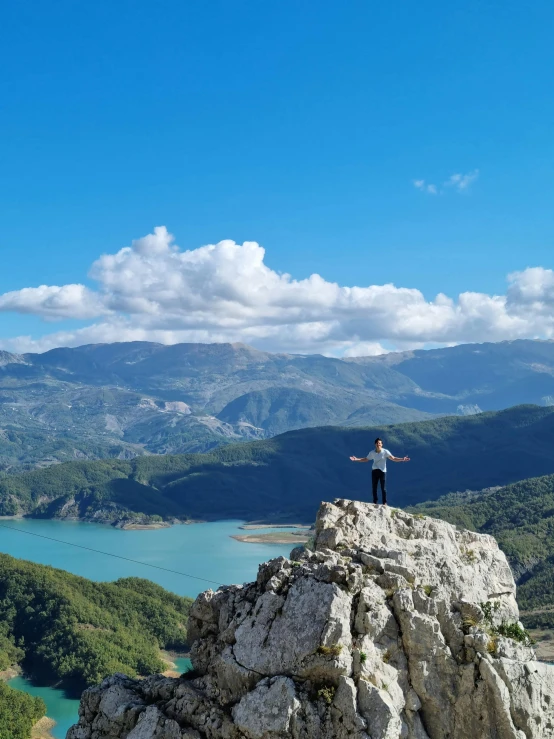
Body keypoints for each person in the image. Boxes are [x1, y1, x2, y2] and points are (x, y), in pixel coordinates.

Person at [349, 437, 410, 505]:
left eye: (380, 443)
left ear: (382, 444)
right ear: (375, 444)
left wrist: (402, 459)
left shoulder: (385, 452)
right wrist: (356, 459)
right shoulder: (372, 453)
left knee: (383, 488)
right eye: (377, 443)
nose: (379, 444)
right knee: (374, 487)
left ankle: (384, 502)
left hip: (382, 471)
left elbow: (393, 458)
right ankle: (375, 502)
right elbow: (366, 459)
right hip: (374, 470)